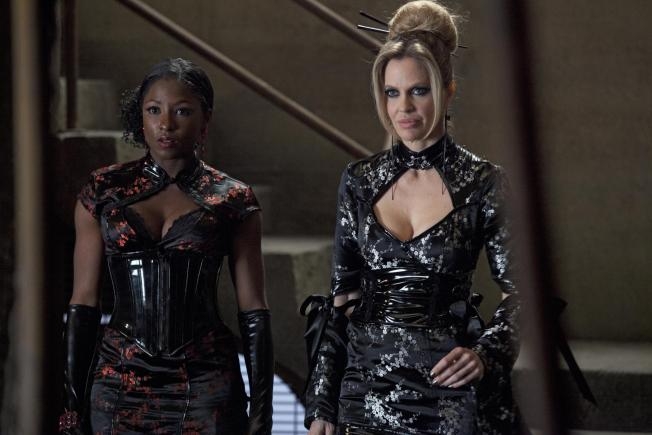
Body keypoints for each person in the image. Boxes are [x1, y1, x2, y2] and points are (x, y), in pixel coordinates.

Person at [305, 1, 524, 434]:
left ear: (448, 90)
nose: (403, 107)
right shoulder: (359, 181)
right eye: (392, 92)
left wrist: (486, 354)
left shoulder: (484, 183)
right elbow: (341, 301)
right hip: (363, 390)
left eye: (418, 91)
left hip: (447, 391)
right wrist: (322, 404)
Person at [59, 58, 273, 434]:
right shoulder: (103, 191)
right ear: (140, 118)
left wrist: (261, 411)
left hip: (206, 382)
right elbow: (84, 302)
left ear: (205, 120)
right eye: (154, 110)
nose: (166, 124)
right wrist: (72, 407)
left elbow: (253, 309)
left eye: (182, 111)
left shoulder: (232, 199)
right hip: (120, 380)